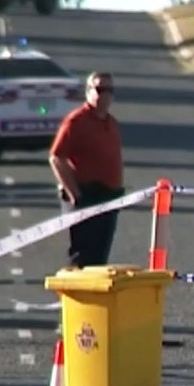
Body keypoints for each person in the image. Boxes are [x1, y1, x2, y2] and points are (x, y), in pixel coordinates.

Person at [48, 71, 124, 268]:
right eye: (99, 89)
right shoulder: (76, 121)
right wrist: (75, 195)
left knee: (100, 257)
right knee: (82, 257)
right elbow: (57, 157)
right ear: (88, 92)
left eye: (109, 90)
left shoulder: (111, 123)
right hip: (86, 195)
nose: (104, 95)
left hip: (109, 197)